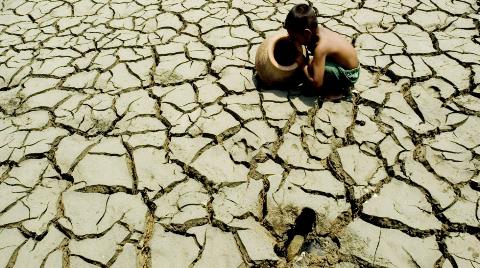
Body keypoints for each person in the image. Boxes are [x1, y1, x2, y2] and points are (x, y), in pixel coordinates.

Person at [284, 4, 360, 100]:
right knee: (312, 64)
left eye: (294, 37)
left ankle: (336, 92)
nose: (292, 40)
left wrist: (302, 64)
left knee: (315, 70)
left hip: (350, 75)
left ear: (307, 33)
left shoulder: (321, 47)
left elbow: (317, 83)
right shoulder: (318, 33)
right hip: (345, 65)